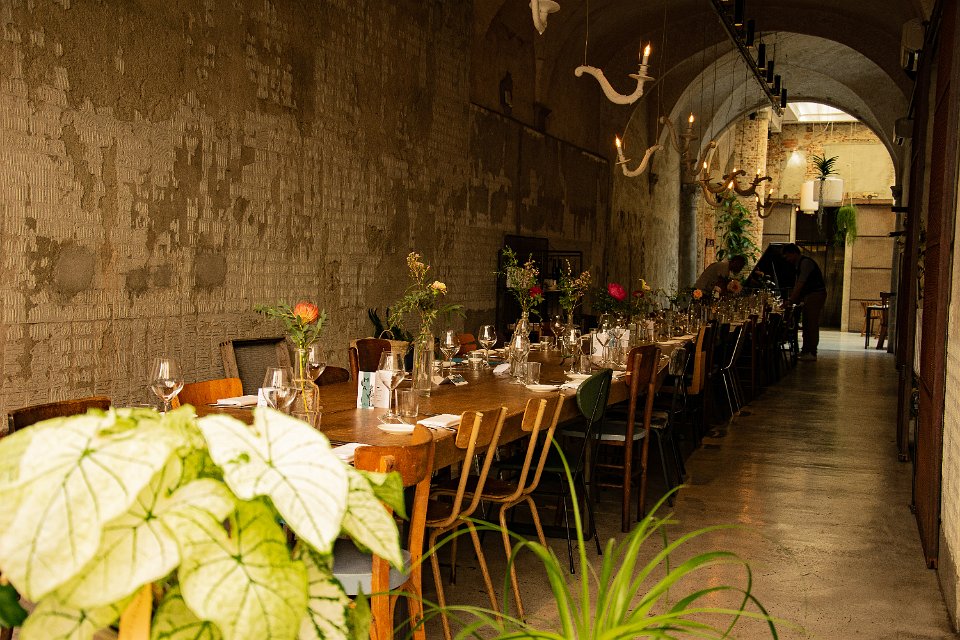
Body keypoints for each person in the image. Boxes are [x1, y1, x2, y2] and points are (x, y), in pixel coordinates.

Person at [782, 243, 827, 361]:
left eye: (787, 256)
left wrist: (791, 300)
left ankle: (812, 352)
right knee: (807, 323)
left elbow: (800, 284)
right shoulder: (800, 264)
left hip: (815, 294)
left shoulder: (805, 263)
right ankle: (806, 350)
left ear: (794, 253)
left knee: (811, 323)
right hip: (811, 295)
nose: (787, 259)